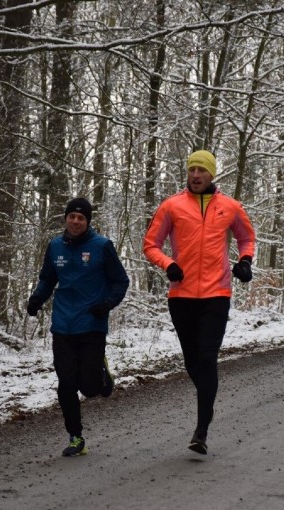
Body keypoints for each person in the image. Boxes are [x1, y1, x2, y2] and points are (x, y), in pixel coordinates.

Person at [143, 150, 256, 455]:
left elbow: (247, 238)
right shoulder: (171, 206)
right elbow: (150, 244)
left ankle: (201, 429)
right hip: (181, 297)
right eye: (191, 169)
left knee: (206, 358)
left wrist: (245, 261)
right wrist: (168, 264)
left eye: (201, 170)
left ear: (211, 175)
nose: (195, 175)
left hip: (216, 294)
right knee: (193, 362)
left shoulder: (230, 207)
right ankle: (207, 397)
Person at [27, 197, 130, 457]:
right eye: (71, 216)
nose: (75, 221)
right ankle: (75, 437)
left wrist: (105, 304)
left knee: (90, 388)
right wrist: (37, 299)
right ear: (65, 219)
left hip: (92, 324)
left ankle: (102, 373)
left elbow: (121, 281)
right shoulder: (55, 247)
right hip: (62, 325)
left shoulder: (102, 246)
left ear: (87, 222)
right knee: (66, 384)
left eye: (81, 217)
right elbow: (48, 279)